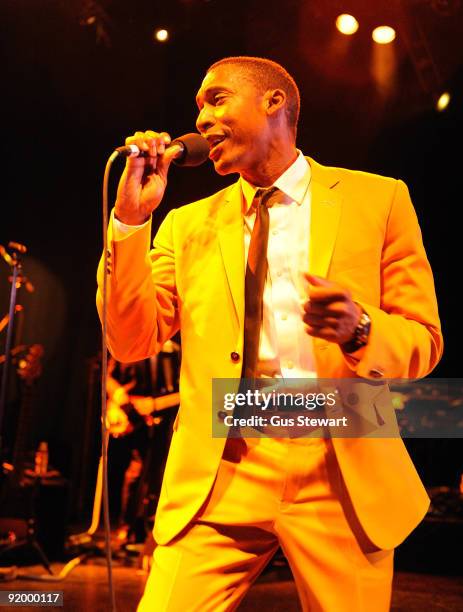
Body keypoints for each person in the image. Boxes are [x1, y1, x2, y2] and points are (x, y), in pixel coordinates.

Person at [97, 56, 443, 611]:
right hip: (223, 465)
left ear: (273, 102)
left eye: (216, 100)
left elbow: (424, 341)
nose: (202, 120)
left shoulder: (378, 199)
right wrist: (130, 223)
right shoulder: (186, 226)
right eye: (197, 109)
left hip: (342, 462)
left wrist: (360, 329)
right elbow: (130, 340)